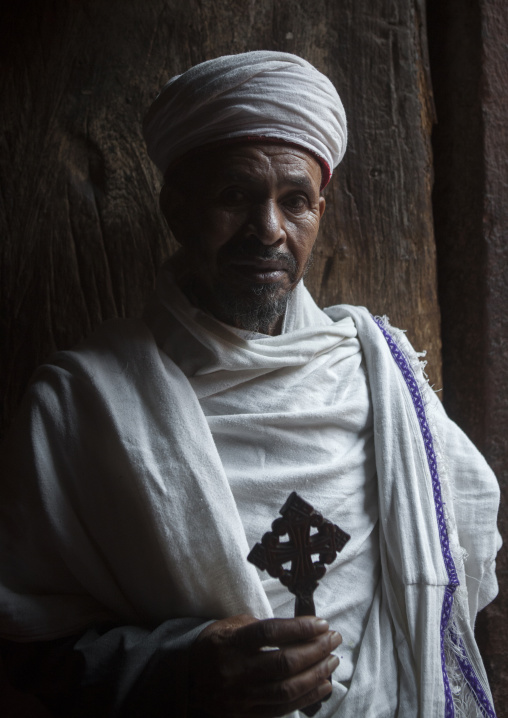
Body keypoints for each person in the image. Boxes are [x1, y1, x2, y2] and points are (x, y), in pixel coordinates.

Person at [0, 51, 501, 718]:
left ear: (320, 211)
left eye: (295, 202)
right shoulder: (82, 405)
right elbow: (25, 642)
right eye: (234, 196)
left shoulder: (381, 373)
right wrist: (179, 667)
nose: (269, 231)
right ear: (176, 209)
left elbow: (464, 555)